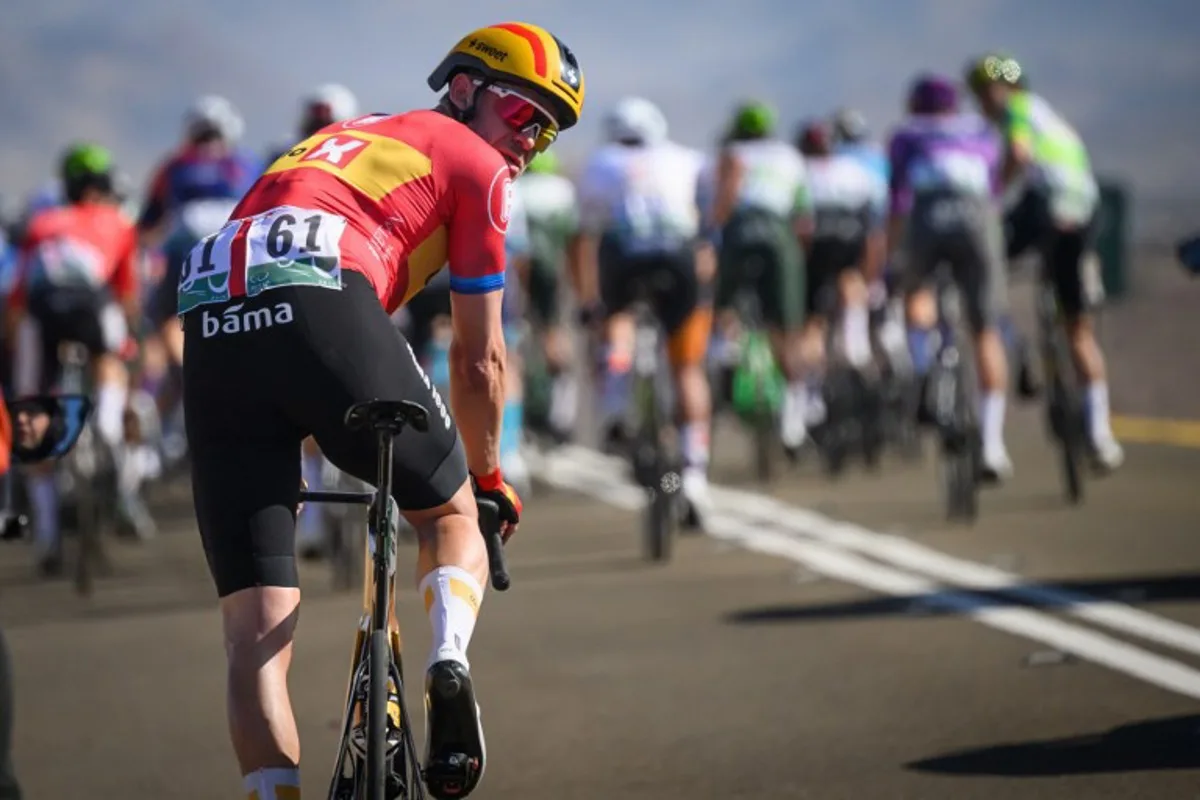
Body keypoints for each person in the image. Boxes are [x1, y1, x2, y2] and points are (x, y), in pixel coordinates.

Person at [178, 22, 584, 800]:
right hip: (319, 287)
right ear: (463, 88)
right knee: (450, 512)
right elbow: (481, 360)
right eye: (526, 114)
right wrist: (486, 474)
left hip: (211, 306)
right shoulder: (479, 165)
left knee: (253, 635)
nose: (533, 141)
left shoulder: (346, 136)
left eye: (551, 127)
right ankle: (448, 661)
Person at [965, 53, 1123, 471]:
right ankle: (1102, 436)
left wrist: (992, 194)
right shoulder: (1051, 117)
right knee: (1079, 328)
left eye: (983, 93)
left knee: (984, 266)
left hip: (1044, 205)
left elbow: (1017, 154)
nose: (982, 103)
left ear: (997, 91)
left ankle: (1018, 354)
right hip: (1083, 212)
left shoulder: (1017, 112)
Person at [6, 144, 149, 569]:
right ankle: (106, 424)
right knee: (111, 361)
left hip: (41, 313)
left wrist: (18, 355)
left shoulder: (43, 222)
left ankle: (48, 536)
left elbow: (17, 299)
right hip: (91, 308)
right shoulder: (119, 223)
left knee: (33, 411)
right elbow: (127, 298)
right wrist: (127, 352)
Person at [576, 96, 715, 525]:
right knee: (687, 366)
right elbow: (708, 219)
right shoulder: (687, 159)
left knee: (617, 321)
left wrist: (589, 301)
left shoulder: (601, 162)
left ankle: (617, 406)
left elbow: (587, 235)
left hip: (626, 256)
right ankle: (694, 473)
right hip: (679, 255)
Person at [887, 74, 1013, 478]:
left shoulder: (906, 134)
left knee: (918, 293)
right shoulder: (982, 129)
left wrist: (895, 257)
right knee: (985, 331)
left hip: (928, 217)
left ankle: (924, 370)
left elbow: (898, 200)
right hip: (977, 218)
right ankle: (993, 447)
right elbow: (993, 186)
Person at [710, 100, 812, 454]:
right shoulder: (790, 156)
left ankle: (725, 361)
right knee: (787, 329)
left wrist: (712, 240)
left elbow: (723, 202)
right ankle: (794, 424)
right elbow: (803, 216)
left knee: (723, 310)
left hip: (740, 233)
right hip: (780, 236)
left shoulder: (732, 152)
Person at [794, 119, 888, 410]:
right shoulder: (855, 171)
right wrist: (872, 276)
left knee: (812, 321)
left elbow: (799, 226)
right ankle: (856, 346)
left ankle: (811, 398)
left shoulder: (800, 173)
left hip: (816, 249)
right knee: (852, 282)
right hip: (852, 241)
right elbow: (875, 228)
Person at [512, 150, 582, 442]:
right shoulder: (563, 192)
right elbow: (575, 240)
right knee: (553, 333)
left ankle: (521, 418)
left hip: (518, 269)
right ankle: (561, 410)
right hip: (552, 272)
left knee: (512, 339)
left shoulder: (514, 188)